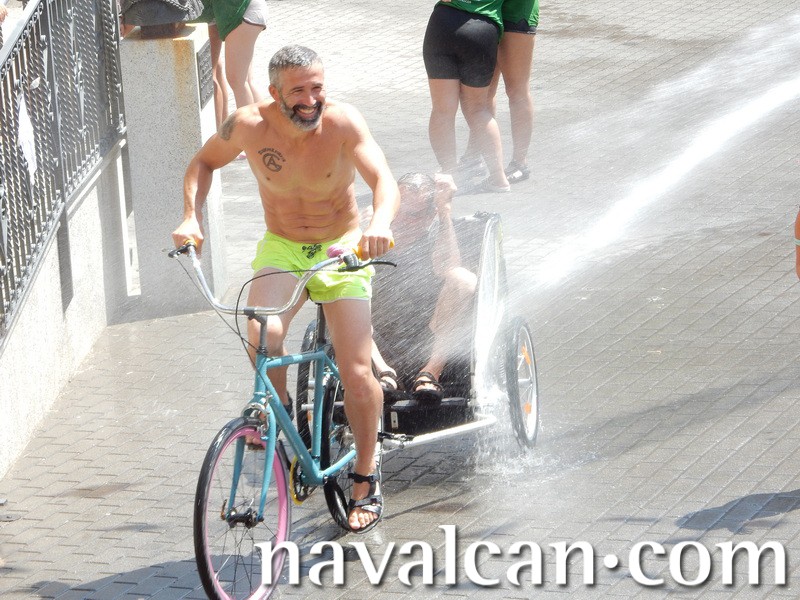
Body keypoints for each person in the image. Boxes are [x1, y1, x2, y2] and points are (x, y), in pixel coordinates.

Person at [171, 45, 400, 532]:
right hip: (283, 246)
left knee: (358, 371)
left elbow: (383, 178)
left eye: (317, 88)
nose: (311, 100)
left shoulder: (343, 122)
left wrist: (379, 222)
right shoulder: (248, 125)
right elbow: (203, 162)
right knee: (262, 334)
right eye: (298, 91)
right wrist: (191, 216)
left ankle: (365, 475)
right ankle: (282, 418)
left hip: (341, 246)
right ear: (274, 92)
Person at [370, 173, 477, 402]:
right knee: (339, 289)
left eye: (412, 215)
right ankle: (384, 372)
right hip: (374, 341)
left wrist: (444, 211)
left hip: (427, 336)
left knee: (463, 279)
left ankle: (430, 373)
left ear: (429, 217)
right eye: (397, 211)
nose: (400, 220)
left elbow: (448, 267)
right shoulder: (374, 231)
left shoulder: (433, 237)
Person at [422, 0, 510, 192]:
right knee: (478, 110)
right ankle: (499, 179)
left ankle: (449, 175)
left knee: (442, 110)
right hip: (482, 30)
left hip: (444, 24)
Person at [462, 0, 538, 185]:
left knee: (517, 90)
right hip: (485, 10)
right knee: (484, 91)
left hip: (516, 12)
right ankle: (473, 157)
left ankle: (520, 162)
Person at [197, 0, 268, 128]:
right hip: (248, 12)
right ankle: (265, 128)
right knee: (247, 81)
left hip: (243, 14)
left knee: (238, 81)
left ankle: (250, 132)